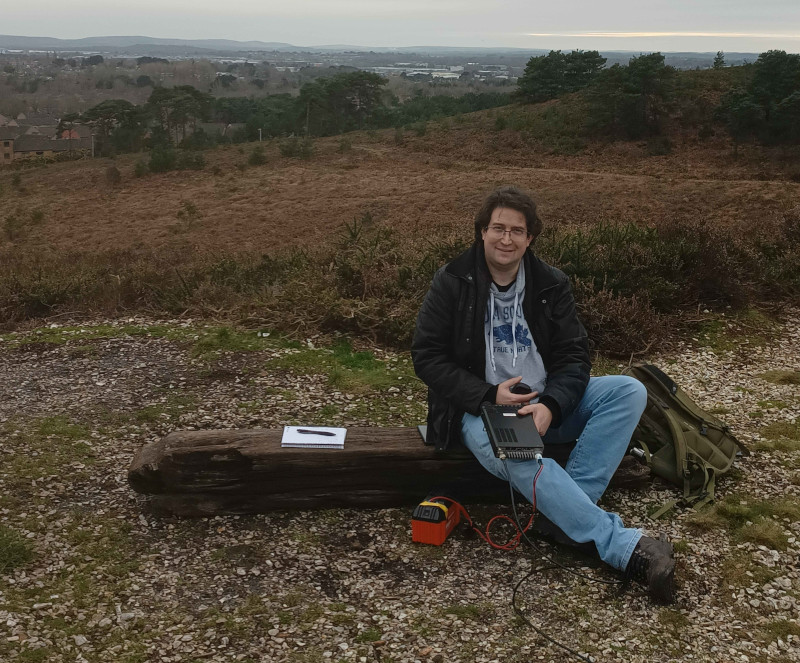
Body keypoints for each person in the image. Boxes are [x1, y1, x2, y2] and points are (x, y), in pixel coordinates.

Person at [411, 185, 675, 603]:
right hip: (481, 410)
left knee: (627, 390)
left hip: (543, 403)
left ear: (530, 237)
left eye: (517, 230)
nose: (506, 238)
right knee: (519, 456)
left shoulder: (551, 283)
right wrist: (486, 395)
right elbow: (426, 356)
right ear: (481, 231)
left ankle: (566, 514)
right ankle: (623, 548)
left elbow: (574, 354)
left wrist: (551, 404)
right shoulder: (452, 281)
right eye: (497, 227)